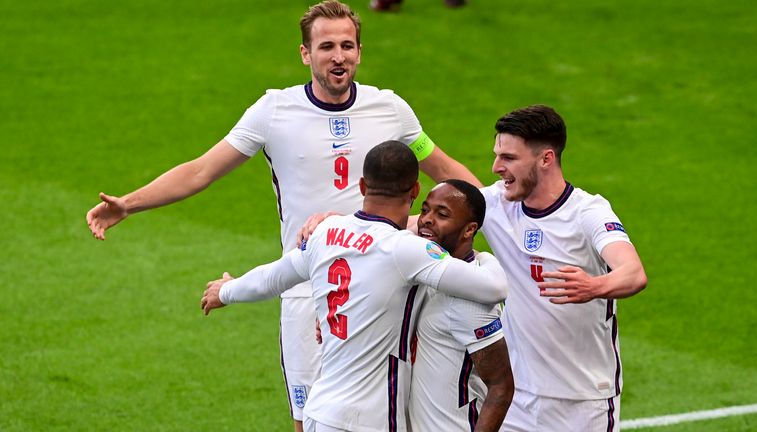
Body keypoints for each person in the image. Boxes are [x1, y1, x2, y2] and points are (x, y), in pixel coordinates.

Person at [84, 1, 480, 430]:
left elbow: (444, 171)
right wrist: (130, 203)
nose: (338, 56)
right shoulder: (273, 112)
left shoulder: (390, 110)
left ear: (360, 52)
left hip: (388, 289)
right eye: (326, 46)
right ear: (305, 54)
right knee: (310, 421)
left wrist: (496, 209)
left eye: (348, 45)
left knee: (395, 417)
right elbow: (200, 170)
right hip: (305, 289)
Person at [200, 141, 508, 432]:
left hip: (320, 412)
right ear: (415, 190)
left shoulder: (325, 232)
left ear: (362, 186)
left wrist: (226, 290)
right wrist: (485, 256)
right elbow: (494, 287)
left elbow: (272, 278)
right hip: (367, 420)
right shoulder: (406, 250)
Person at [478, 105, 648, 431]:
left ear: (546, 159)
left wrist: (594, 287)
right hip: (516, 397)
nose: (496, 167)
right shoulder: (497, 204)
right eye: (498, 155)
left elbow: (634, 273)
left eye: (509, 158)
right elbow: (426, 223)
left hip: (584, 402)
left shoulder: (588, 212)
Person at [408, 179, 514, 432]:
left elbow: (501, 386)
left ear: (469, 230)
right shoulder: (421, 266)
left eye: (442, 214)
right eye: (424, 210)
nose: (426, 220)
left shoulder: (472, 299)